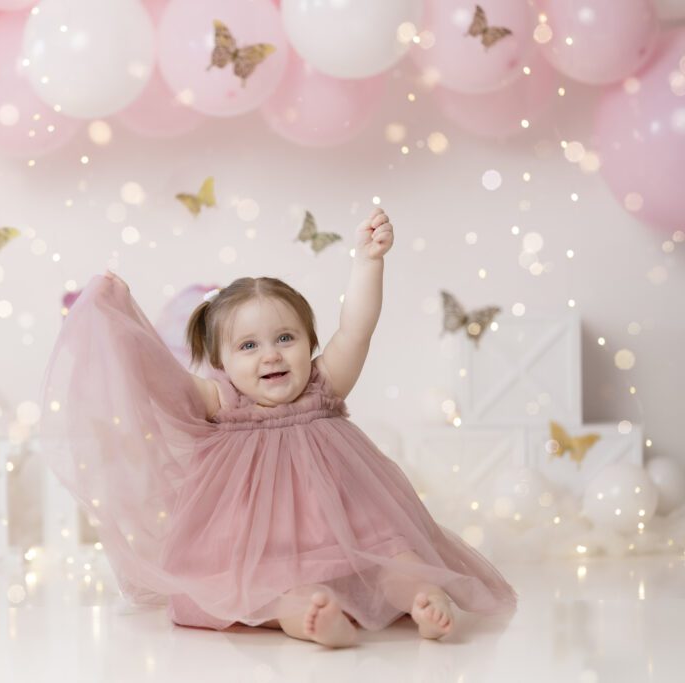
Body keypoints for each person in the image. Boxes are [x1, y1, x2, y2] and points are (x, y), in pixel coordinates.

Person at [40, 208, 517, 648]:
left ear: (309, 341)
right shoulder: (220, 398)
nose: (270, 354)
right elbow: (157, 381)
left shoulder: (324, 383)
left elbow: (356, 327)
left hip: (355, 533)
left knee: (397, 560)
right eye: (248, 346)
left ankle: (422, 598)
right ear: (220, 361)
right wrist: (116, 317)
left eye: (285, 338)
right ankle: (311, 617)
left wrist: (368, 262)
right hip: (264, 550)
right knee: (267, 593)